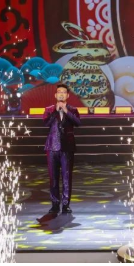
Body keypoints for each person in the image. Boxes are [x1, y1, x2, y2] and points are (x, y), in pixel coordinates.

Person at [43, 84, 81, 214]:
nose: (61, 94)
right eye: (59, 92)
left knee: (66, 177)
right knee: (53, 178)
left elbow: (78, 123)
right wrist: (55, 111)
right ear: (55, 95)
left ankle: (65, 204)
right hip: (52, 147)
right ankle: (55, 204)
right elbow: (46, 123)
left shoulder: (73, 109)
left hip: (67, 147)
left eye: (64, 92)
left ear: (67, 95)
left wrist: (66, 111)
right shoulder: (49, 109)